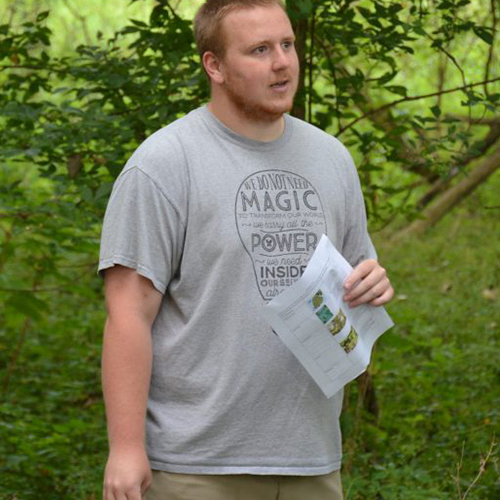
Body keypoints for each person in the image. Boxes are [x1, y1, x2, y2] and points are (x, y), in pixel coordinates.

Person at [98, 0, 394, 498]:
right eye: (259, 50)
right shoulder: (165, 163)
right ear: (214, 66)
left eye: (287, 44)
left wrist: (372, 282)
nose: (282, 62)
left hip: (311, 457)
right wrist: (126, 448)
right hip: (195, 464)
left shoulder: (332, 158)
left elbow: (353, 278)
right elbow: (128, 313)